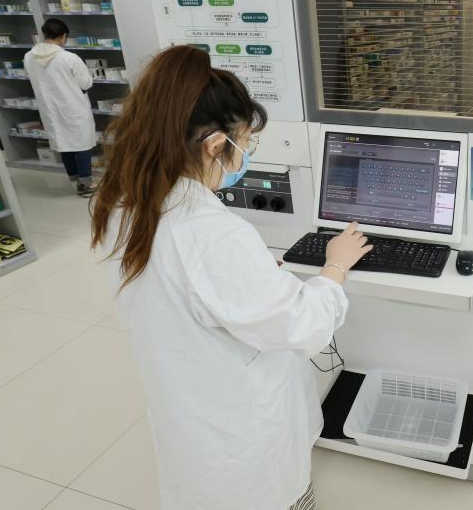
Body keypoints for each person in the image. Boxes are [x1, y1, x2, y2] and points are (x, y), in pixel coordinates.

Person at [90, 46, 372, 510]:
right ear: (215, 145)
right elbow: (302, 326)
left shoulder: (122, 207)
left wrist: (252, 279)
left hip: (190, 411)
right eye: (246, 143)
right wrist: (335, 267)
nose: (247, 155)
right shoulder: (212, 234)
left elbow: (183, 290)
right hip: (245, 436)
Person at [24, 18, 97, 197]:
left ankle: (77, 182)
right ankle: (87, 184)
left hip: (50, 110)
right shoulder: (69, 58)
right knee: (82, 145)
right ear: (63, 36)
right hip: (73, 107)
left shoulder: (29, 56)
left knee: (65, 145)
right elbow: (86, 83)